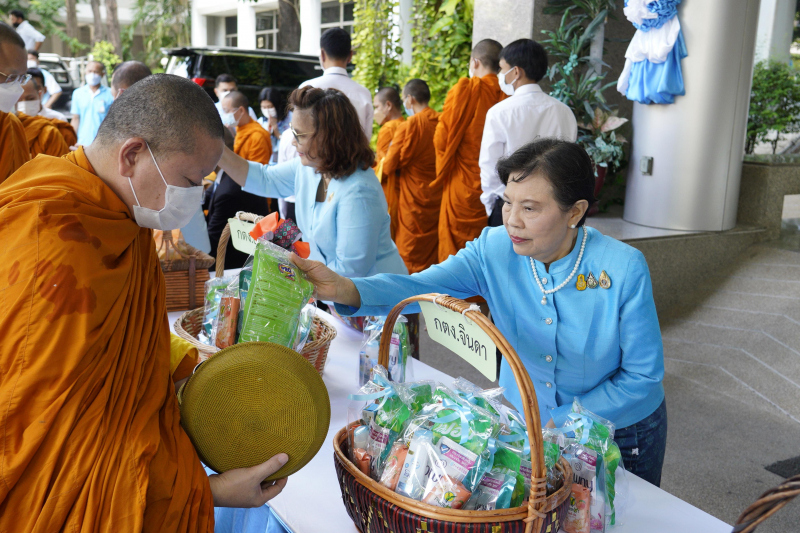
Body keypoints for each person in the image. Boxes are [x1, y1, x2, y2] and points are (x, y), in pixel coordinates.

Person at [0, 74, 289, 531]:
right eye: (190, 181)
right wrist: (208, 491)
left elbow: (122, 347)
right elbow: (42, 442)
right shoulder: (53, 246)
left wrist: (184, 365)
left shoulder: (117, 216)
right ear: (132, 154)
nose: (195, 199)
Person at [292, 138, 668, 487]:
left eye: (530, 208)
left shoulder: (622, 268)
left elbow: (642, 376)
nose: (512, 219)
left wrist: (562, 419)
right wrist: (347, 288)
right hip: (527, 420)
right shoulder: (495, 248)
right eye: (507, 202)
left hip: (620, 429)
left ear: (576, 212)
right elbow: (420, 285)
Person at [217, 86, 407, 279]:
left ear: (328, 137)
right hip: (336, 293)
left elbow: (351, 271)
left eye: (299, 135)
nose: (293, 142)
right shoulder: (310, 168)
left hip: (378, 302)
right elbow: (265, 178)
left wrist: (292, 277)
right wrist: (217, 151)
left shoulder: (359, 191)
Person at [479, 39, 577, 227]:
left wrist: (494, 205)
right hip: (553, 208)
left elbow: (489, 166)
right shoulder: (564, 111)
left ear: (516, 72)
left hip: (509, 206)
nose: (500, 75)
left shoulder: (500, 112)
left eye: (501, 68)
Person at [436, 39, 505, 262]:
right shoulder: (508, 95)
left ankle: (454, 298)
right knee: (491, 253)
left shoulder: (464, 91)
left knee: (458, 258)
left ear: (475, 62)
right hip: (499, 186)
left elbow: (442, 140)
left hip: (461, 185)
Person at [381, 79, 440, 274]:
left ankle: (410, 295)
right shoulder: (441, 121)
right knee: (431, 251)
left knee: (409, 249)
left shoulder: (409, 126)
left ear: (410, 99)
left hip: (413, 200)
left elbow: (388, 165)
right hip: (436, 196)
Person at [207, 128, 272, 269]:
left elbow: (210, 245)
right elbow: (206, 198)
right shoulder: (226, 177)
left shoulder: (229, 192)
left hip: (237, 270)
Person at [300, 28, 373, 139]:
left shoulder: (307, 88)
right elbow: (366, 138)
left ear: (322, 54)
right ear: (350, 56)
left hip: (314, 156)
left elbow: (300, 134)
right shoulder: (363, 93)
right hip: (353, 156)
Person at [0, 22, 30, 183]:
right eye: (12, 77)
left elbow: (19, 189)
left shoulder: (9, 125)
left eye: (22, 78)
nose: (18, 88)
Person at [372, 86, 404, 238]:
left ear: (388, 105)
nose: (375, 113)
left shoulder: (387, 128)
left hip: (388, 190)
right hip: (403, 189)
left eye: (377, 107)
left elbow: (384, 167)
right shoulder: (406, 123)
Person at [14, 76, 69, 157]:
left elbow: (60, 165)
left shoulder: (50, 131)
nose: (24, 104)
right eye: (18, 100)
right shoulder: (7, 126)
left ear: (39, 95)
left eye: (30, 98)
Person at [27, 67, 76, 146]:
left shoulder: (58, 119)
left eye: (36, 87)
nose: (33, 90)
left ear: (44, 90)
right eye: (28, 88)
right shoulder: (14, 120)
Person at [70, 60, 114, 145]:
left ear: (102, 74)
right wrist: (72, 139)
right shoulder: (78, 93)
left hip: (103, 143)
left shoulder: (110, 93)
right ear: (85, 72)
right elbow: (76, 118)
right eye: (90, 71)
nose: (92, 75)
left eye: (96, 72)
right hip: (82, 142)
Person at [223, 90, 272, 166]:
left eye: (227, 111)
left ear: (241, 110)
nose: (225, 115)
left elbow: (258, 171)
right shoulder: (239, 129)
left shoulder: (257, 136)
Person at [257, 87, 292, 164]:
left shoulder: (290, 118)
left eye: (270, 107)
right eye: (264, 107)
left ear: (277, 105)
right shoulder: (260, 122)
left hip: (287, 161)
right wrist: (266, 133)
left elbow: (293, 142)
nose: (267, 110)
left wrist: (277, 133)